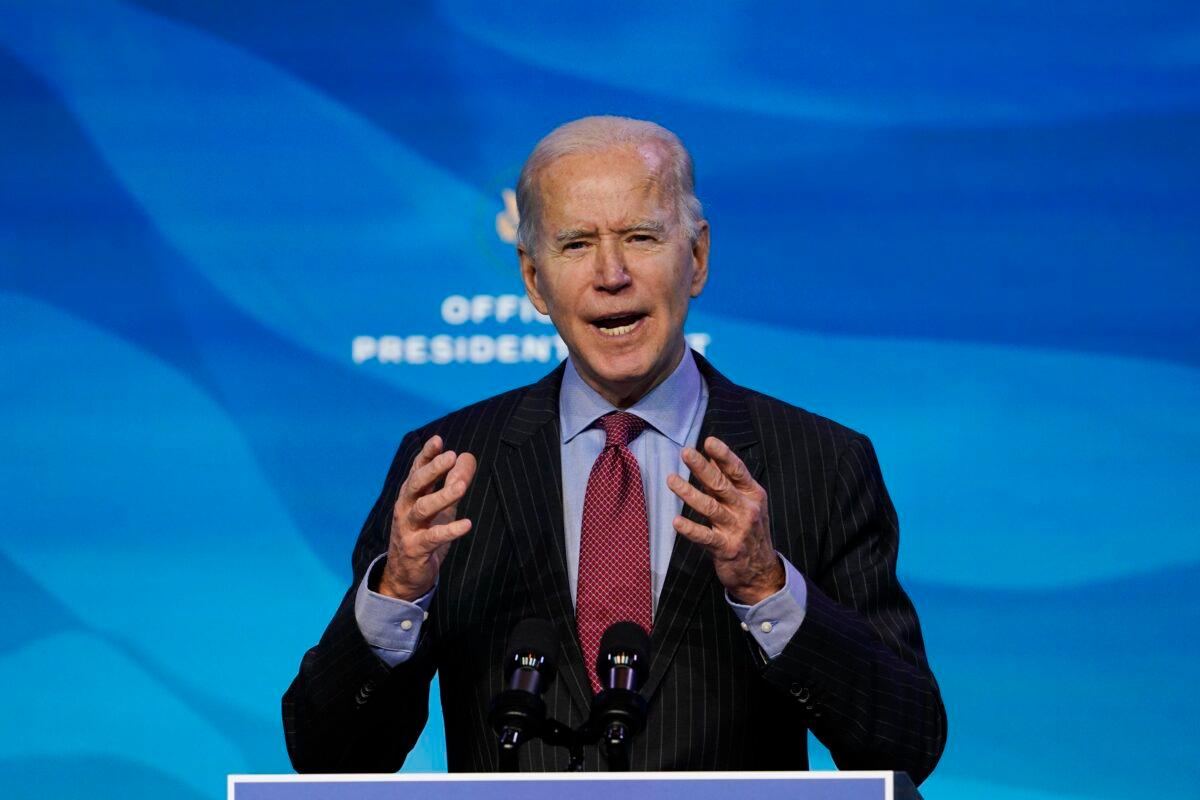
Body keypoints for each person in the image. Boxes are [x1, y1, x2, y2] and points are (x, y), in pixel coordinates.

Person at [282, 116, 946, 782]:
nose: (611, 273)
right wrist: (398, 594)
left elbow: (906, 744)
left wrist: (768, 589)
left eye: (640, 237)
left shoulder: (820, 462)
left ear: (697, 259)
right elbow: (328, 759)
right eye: (576, 244)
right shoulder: (450, 468)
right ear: (536, 282)